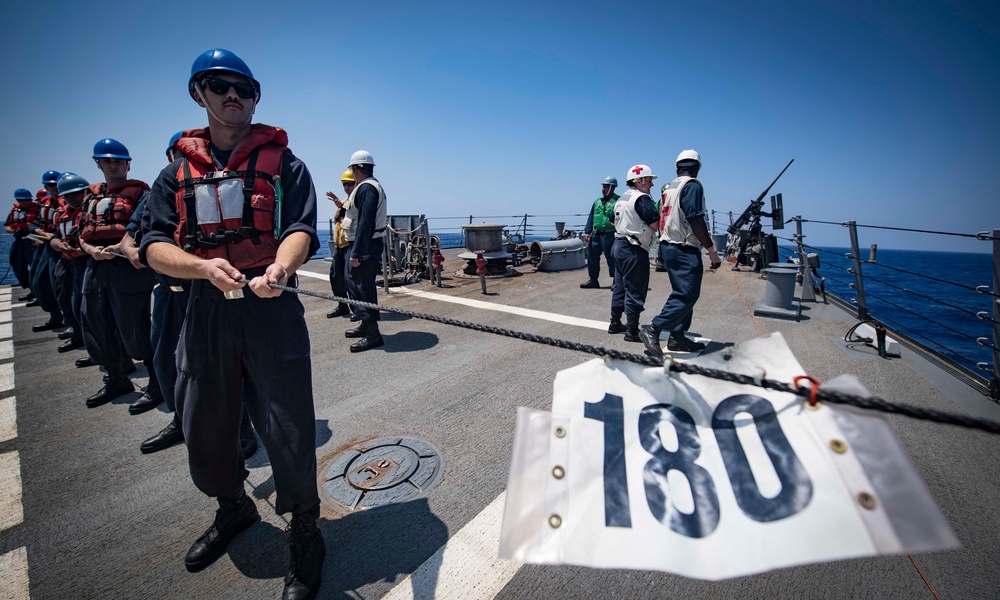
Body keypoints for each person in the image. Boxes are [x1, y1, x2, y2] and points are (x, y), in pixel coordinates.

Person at [138, 48, 324, 598]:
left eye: (244, 87)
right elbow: (152, 245)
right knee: (204, 422)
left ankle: (307, 532)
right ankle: (234, 507)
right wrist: (200, 267)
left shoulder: (286, 165)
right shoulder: (173, 175)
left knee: (288, 423)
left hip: (271, 302)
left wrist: (280, 267)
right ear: (200, 93)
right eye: (220, 85)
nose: (234, 94)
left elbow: (301, 227)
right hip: (205, 305)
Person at [139, 131, 258, 457]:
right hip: (167, 293)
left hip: (204, 292)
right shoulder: (162, 190)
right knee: (168, 363)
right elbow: (141, 237)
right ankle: (183, 421)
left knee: (224, 366)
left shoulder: (212, 189)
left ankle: (241, 429)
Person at [77, 138, 158, 411]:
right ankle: (115, 377)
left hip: (126, 265)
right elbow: (82, 233)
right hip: (96, 264)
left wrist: (121, 247)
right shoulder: (91, 197)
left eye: (118, 161)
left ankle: (156, 381)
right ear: (98, 163)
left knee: (135, 323)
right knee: (94, 320)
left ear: (127, 164)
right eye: (107, 160)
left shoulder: (140, 195)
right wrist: (90, 249)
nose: (113, 165)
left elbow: (145, 226)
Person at [640, 150, 722, 361]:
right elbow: (695, 218)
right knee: (687, 294)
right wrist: (712, 250)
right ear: (697, 168)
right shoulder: (692, 186)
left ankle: (677, 335)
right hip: (683, 246)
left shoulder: (670, 187)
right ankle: (654, 329)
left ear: (677, 167)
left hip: (668, 245)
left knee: (683, 292)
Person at [342, 150, 387, 352]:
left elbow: (366, 223)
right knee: (356, 286)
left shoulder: (367, 189)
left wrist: (356, 253)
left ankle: (373, 334)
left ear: (355, 169)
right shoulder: (368, 187)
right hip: (366, 244)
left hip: (366, 246)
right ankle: (364, 324)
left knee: (363, 289)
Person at [609, 164, 660, 342]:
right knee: (635, 288)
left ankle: (615, 323)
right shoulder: (642, 199)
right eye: (649, 180)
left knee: (619, 287)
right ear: (639, 181)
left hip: (618, 244)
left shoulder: (622, 199)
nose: (651, 185)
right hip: (633, 248)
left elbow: (612, 221)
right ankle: (631, 330)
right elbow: (655, 224)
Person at [48, 173, 90, 353]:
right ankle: (80, 337)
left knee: (90, 310)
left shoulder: (91, 213)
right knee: (68, 303)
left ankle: (100, 349)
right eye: (68, 195)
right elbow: (55, 237)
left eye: (77, 194)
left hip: (88, 263)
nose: (73, 198)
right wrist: (59, 245)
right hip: (68, 264)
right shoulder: (63, 216)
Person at [29, 170, 64, 332]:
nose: (53, 187)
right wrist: (44, 234)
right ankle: (55, 316)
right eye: (50, 185)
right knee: (38, 281)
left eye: (55, 184)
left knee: (61, 286)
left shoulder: (68, 202)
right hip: (47, 246)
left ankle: (71, 323)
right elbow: (33, 225)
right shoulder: (45, 205)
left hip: (63, 249)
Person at [325, 169, 355, 319]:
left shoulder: (357, 201)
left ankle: (357, 309)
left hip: (350, 246)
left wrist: (341, 207)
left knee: (351, 279)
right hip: (340, 247)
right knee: (336, 277)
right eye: (344, 184)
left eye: (350, 184)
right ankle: (342, 305)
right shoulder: (343, 202)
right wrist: (340, 206)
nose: (347, 187)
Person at [580, 176, 619, 289]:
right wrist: (587, 231)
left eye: (605, 187)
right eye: (603, 187)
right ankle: (593, 280)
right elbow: (591, 216)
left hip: (610, 234)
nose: (603, 189)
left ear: (612, 188)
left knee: (612, 258)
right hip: (596, 234)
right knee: (592, 257)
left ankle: (616, 281)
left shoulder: (618, 202)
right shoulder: (597, 201)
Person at [5, 188, 40, 298]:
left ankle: (39, 293)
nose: (24, 203)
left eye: (27, 200)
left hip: (33, 241)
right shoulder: (14, 211)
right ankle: (32, 290)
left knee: (36, 268)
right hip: (20, 242)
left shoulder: (38, 210)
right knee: (18, 266)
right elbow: (7, 226)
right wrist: (15, 231)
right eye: (21, 200)